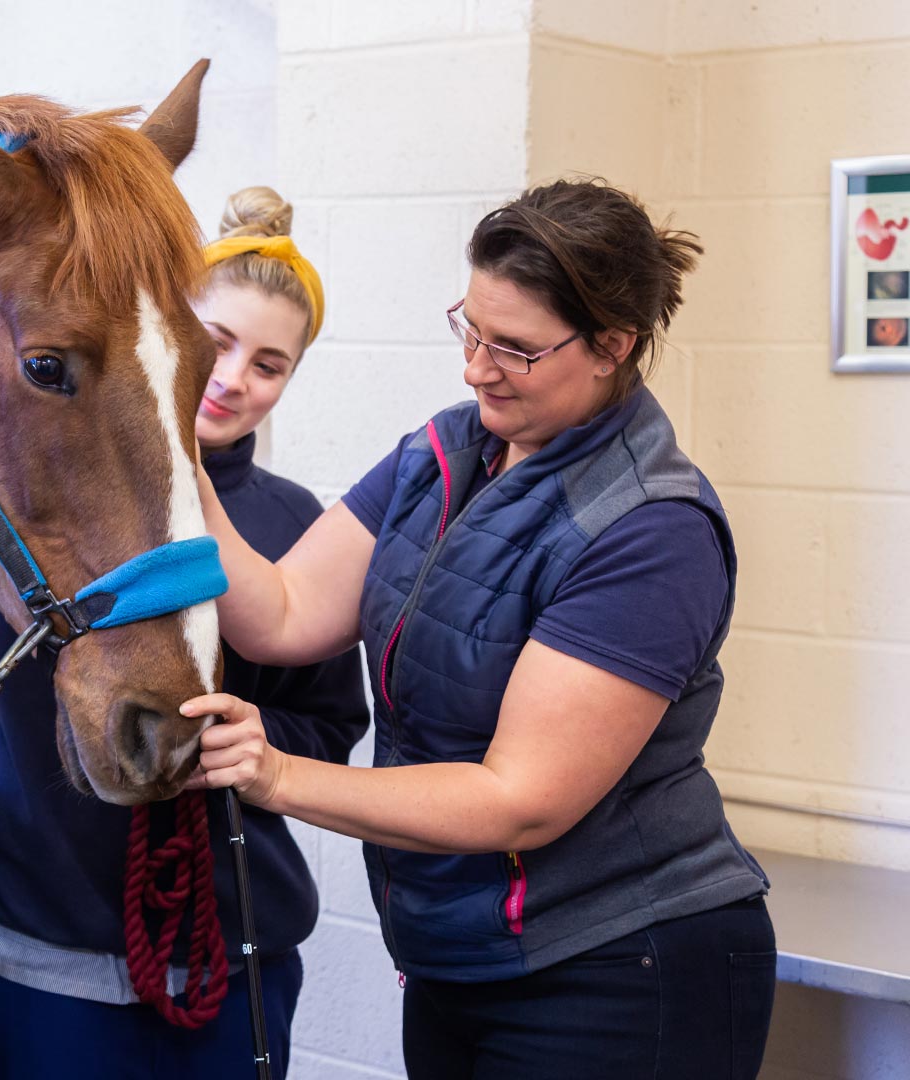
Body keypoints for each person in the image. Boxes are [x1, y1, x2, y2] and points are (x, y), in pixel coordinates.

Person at [181, 179, 776, 1078]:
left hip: (619, 964)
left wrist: (277, 775)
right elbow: (285, 611)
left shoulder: (650, 528)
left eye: (516, 349)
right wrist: (175, 457)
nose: (476, 369)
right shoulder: (445, 452)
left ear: (612, 346)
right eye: (471, 329)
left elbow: (519, 799)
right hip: (458, 953)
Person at [0, 187, 368, 1079]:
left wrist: (257, 744)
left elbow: (330, 721)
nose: (235, 378)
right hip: (44, 951)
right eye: (218, 344)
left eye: (270, 364)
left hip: (232, 960)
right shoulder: (42, 486)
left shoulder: (297, 528)